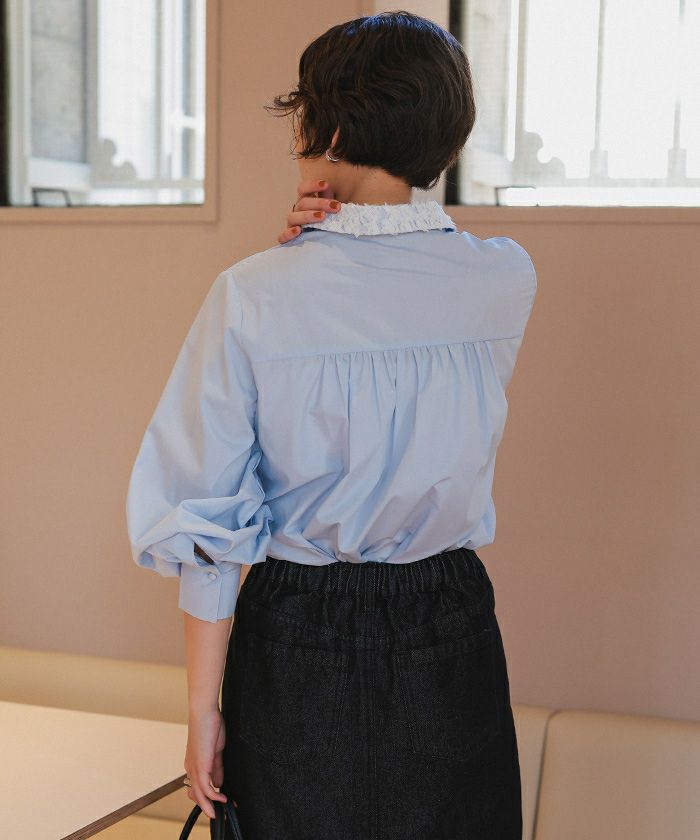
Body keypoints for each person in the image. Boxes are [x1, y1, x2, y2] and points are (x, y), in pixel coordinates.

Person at [126, 11, 536, 839]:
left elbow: (207, 519)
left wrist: (202, 711)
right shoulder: (505, 280)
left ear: (334, 130)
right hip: (451, 621)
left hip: (297, 630)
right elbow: (403, 281)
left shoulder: (254, 294)